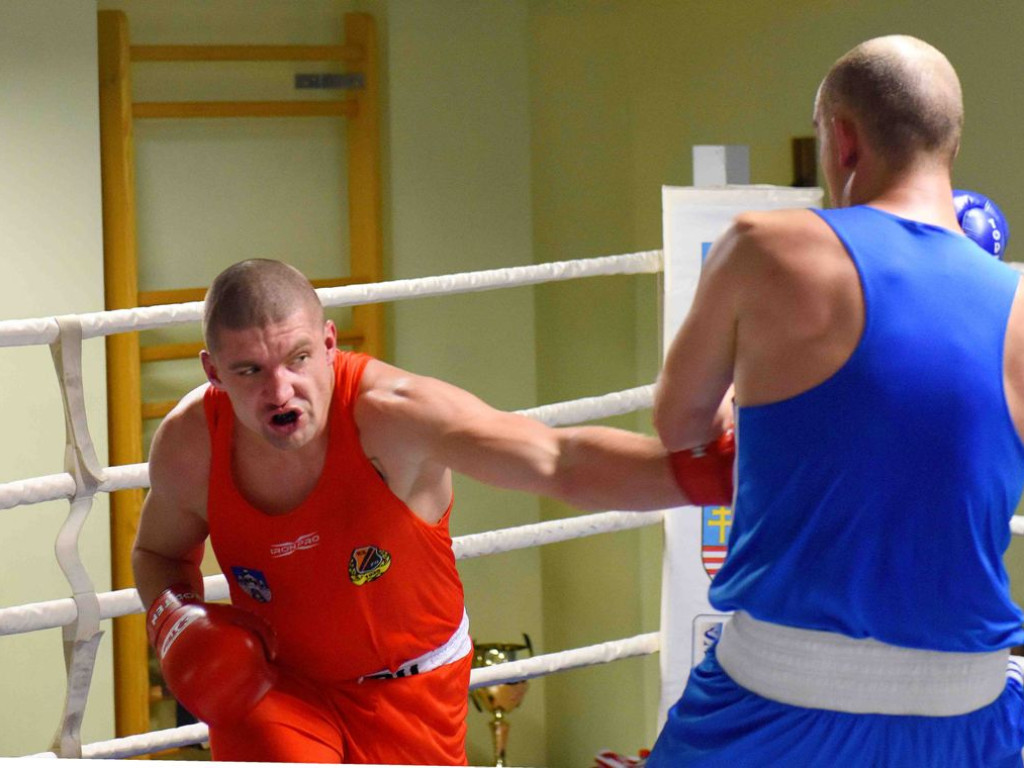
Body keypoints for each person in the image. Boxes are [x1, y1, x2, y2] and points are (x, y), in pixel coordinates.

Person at [132, 258, 699, 764]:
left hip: (414, 693)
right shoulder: (193, 441)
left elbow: (556, 460)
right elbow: (158, 552)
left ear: (330, 343)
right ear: (212, 372)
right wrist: (175, 618)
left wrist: (706, 474)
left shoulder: (393, 417)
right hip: (281, 691)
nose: (281, 391)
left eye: (298, 358)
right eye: (249, 371)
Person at [647, 35, 1024, 767]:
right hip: (968, 709)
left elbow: (678, 424)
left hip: (780, 698)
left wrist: (748, 411)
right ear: (949, 141)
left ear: (843, 139)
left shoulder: (764, 244)